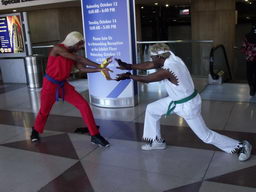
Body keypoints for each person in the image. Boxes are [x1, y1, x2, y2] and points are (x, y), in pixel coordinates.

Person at [115, 43, 252, 161]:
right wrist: (128, 66)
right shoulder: (173, 59)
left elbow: (148, 79)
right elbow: (149, 65)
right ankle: (157, 141)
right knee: (152, 109)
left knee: (205, 136)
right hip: (178, 99)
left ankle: (241, 146)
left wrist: (129, 76)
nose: (151, 60)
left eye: (153, 57)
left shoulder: (168, 69)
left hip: (187, 105)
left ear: (160, 57)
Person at [30, 31, 111, 147]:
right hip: (50, 85)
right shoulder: (57, 49)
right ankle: (35, 130)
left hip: (63, 85)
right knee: (44, 111)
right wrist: (99, 66)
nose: (81, 47)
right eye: (79, 45)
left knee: (83, 105)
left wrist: (99, 70)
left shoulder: (72, 53)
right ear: (72, 43)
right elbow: (80, 59)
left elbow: (82, 68)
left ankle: (95, 135)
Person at [242, 23, 256, 96]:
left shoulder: (247, 36)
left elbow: (243, 49)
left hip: (250, 58)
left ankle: (252, 87)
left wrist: (249, 51)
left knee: (249, 73)